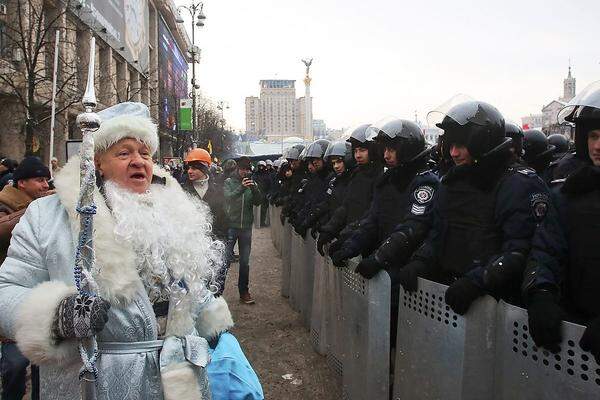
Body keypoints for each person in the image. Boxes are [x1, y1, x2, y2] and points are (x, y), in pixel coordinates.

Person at [0, 102, 263, 400]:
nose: (138, 161)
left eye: (145, 153)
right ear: (98, 161)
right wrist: (57, 316)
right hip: (94, 382)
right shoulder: (47, 215)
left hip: (178, 380)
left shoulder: (173, 207)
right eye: (124, 153)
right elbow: (6, 290)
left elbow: (188, 285)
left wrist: (212, 326)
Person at [398, 100, 551, 318]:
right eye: (450, 145)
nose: (453, 153)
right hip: (450, 296)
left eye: (461, 145)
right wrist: (420, 261)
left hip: (496, 307)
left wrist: (477, 280)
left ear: (483, 142)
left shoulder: (517, 184)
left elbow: (520, 248)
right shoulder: (451, 183)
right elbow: (438, 234)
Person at [523, 81, 600, 360]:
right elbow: (545, 249)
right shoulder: (566, 193)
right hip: (574, 334)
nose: (598, 146)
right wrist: (540, 291)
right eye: (593, 136)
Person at [0, 156, 52, 400]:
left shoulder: (45, 206)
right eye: (39, 180)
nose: (44, 185)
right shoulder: (5, 203)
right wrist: (34, 213)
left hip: (40, 294)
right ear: (21, 183)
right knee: (15, 364)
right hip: (12, 292)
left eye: (46, 181)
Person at [317, 124, 384, 254]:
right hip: (356, 240)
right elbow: (346, 206)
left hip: (371, 244)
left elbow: (372, 214)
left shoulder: (381, 175)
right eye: (356, 151)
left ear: (373, 149)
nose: (358, 155)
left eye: (362, 150)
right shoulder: (357, 174)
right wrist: (329, 230)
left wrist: (346, 238)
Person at [223, 156, 263, 305]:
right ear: (237, 169)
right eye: (242, 169)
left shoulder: (252, 183)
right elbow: (228, 198)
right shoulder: (229, 182)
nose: (244, 172)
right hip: (231, 226)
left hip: (246, 228)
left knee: (245, 262)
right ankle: (217, 293)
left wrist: (253, 188)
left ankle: (244, 291)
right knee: (225, 260)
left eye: (247, 169)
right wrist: (241, 188)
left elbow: (259, 201)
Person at [181, 148, 227, 241]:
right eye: (188, 168)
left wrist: (220, 240)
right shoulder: (182, 190)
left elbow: (223, 220)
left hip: (213, 244)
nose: (189, 171)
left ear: (204, 169)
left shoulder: (218, 190)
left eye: (193, 168)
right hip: (188, 244)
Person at [254, 161, 272, 227]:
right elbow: (253, 182)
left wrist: (268, 193)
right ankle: (256, 222)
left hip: (264, 194)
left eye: (262, 166)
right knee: (256, 209)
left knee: (264, 210)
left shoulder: (267, 174)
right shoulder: (255, 174)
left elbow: (270, 184)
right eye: (260, 166)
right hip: (257, 193)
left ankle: (262, 222)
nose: (261, 168)